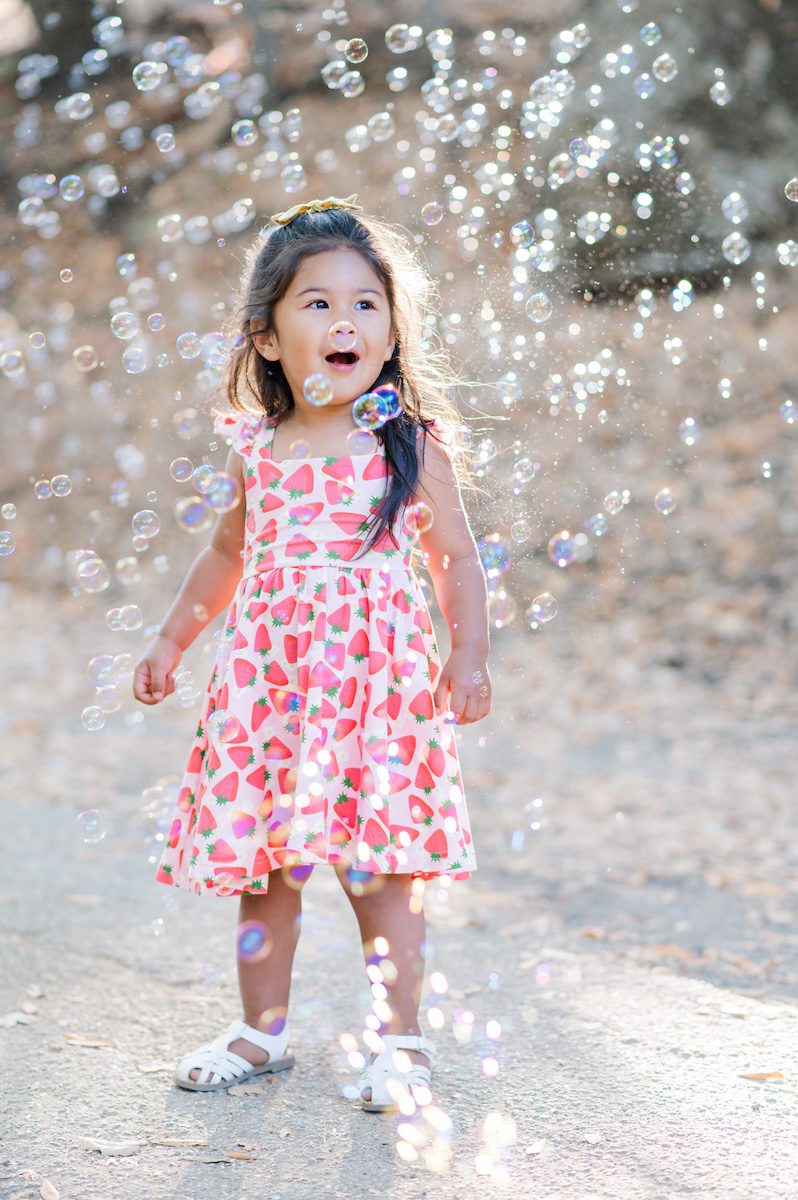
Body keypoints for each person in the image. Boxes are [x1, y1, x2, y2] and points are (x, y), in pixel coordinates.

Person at [133, 194, 492, 1112]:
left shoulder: (404, 442)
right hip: (271, 688)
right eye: (319, 302)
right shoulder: (258, 448)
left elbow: (454, 557)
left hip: (377, 689)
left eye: (367, 302)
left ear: (391, 328)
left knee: (382, 872)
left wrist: (469, 655)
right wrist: (175, 637)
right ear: (267, 336)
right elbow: (226, 551)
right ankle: (261, 1032)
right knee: (269, 868)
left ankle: (401, 1042)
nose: (346, 320)